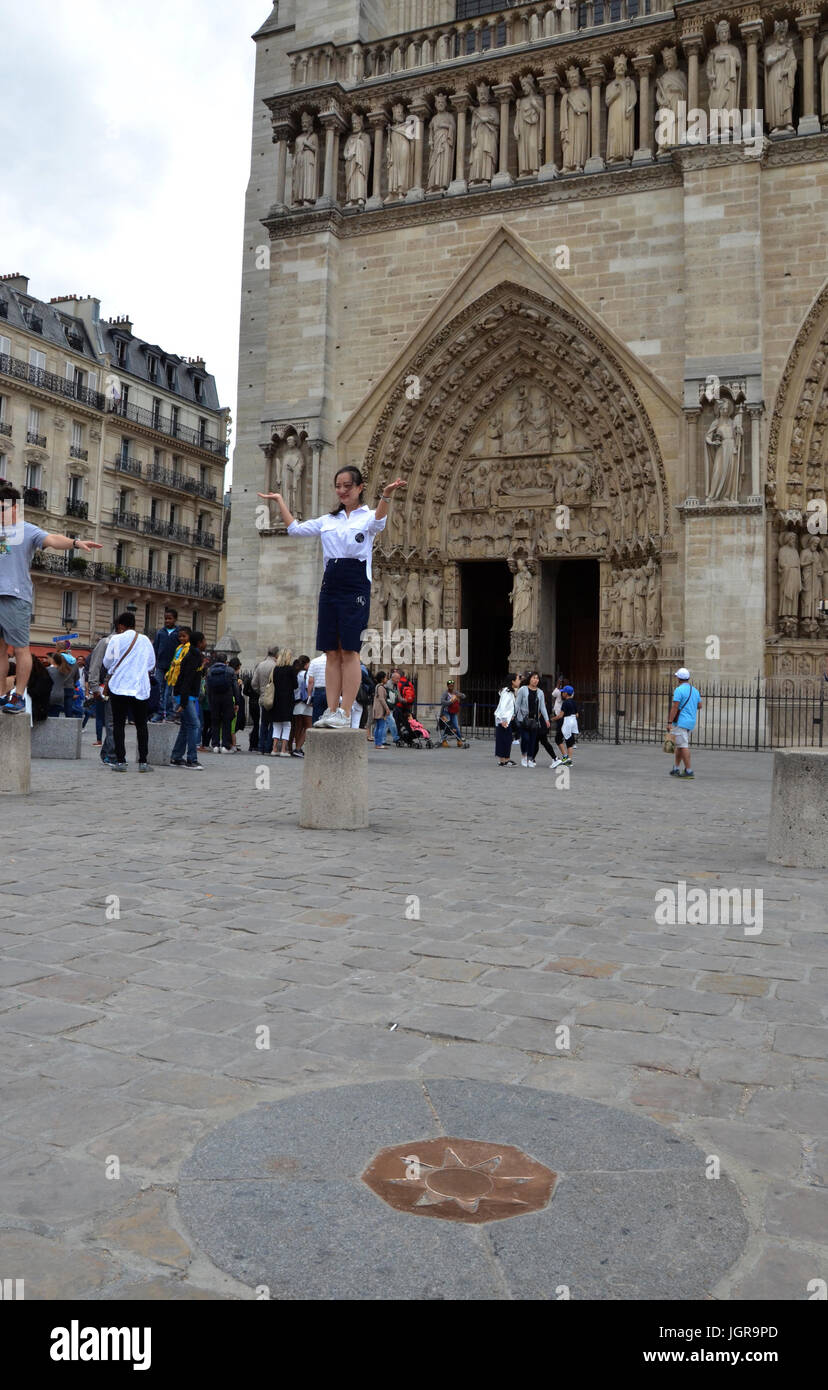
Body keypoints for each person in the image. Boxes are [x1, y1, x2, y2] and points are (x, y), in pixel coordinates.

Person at [258, 466, 406, 728]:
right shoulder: (328, 520)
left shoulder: (367, 517)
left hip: (355, 582)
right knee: (330, 651)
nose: (342, 491)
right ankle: (332, 709)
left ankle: (346, 712)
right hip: (330, 583)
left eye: (347, 485)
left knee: (349, 650)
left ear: (360, 488)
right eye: (338, 486)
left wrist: (386, 495)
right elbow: (294, 530)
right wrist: (281, 501)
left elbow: (380, 521)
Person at [0, 484, 102, 714]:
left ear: (15, 508)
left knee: (20, 649)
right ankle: (2, 695)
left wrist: (76, 543)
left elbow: (53, 539)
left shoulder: (26, 530)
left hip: (15, 596)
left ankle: (18, 696)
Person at [103, 611, 156, 771]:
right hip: (139, 687)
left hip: (119, 686)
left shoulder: (116, 640)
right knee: (141, 725)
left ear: (120, 625)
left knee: (119, 724)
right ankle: (143, 762)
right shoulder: (145, 640)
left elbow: (107, 662)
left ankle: (120, 761)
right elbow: (151, 664)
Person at [169, 628, 206, 768]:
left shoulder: (195, 655)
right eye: (204, 641)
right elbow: (186, 680)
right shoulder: (193, 657)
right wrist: (183, 702)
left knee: (185, 727)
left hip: (186, 695)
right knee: (194, 725)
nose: (206, 643)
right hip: (185, 696)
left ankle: (176, 756)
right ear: (199, 643)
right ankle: (192, 759)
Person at [667, 666, 702, 778]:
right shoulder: (695, 690)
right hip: (690, 721)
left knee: (683, 746)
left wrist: (669, 722)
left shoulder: (679, 690)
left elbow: (675, 707)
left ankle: (689, 771)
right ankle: (676, 768)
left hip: (681, 721)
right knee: (680, 745)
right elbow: (700, 705)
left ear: (679, 679)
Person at [515, 670, 550, 768]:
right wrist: (513, 714)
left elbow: (542, 707)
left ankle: (530, 759)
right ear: (530, 679)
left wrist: (547, 719)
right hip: (523, 718)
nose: (535, 680)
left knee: (532, 740)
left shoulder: (540, 692)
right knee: (525, 738)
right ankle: (524, 756)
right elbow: (517, 703)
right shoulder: (523, 689)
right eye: (533, 678)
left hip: (535, 720)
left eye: (537, 678)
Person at [151, 607, 179, 721]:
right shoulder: (160, 633)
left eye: (170, 618)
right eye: (166, 619)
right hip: (160, 665)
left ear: (175, 619)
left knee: (168, 691)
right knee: (159, 690)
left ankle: (168, 712)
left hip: (172, 667)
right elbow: (155, 648)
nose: (167, 621)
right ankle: (159, 712)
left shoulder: (178, 633)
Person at [206, 651, 237, 753]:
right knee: (227, 721)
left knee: (215, 721)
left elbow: (208, 687)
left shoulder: (210, 670)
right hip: (227, 698)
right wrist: (237, 701)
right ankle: (225, 745)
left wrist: (209, 699)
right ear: (225, 661)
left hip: (214, 697)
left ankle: (215, 745)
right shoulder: (230, 670)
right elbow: (235, 688)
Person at [251, 645, 279, 753]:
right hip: (273, 697)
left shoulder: (260, 665)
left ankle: (261, 746)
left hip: (263, 697)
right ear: (276, 654)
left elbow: (254, 683)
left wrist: (261, 691)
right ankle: (268, 746)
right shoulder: (276, 666)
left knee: (263, 723)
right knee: (272, 723)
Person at [269, 647, 296, 757]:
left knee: (276, 725)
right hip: (287, 700)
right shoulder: (290, 669)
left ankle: (274, 748)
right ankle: (283, 749)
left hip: (276, 699)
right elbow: (295, 685)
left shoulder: (276, 669)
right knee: (287, 725)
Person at [494, 673, 520, 766]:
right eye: (518, 679)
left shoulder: (509, 692)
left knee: (505, 739)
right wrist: (504, 720)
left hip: (505, 719)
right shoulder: (507, 692)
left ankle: (504, 760)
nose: (519, 681)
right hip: (503, 720)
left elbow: (509, 707)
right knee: (505, 739)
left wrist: (511, 715)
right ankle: (504, 760)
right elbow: (503, 707)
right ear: (512, 681)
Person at [290, 655, 312, 757]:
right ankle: (298, 748)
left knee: (298, 727)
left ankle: (293, 747)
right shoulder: (304, 674)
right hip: (304, 702)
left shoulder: (296, 673)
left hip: (296, 702)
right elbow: (309, 686)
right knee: (308, 726)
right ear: (306, 664)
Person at [439, 678, 465, 747]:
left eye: (452, 685)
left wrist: (459, 695)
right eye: (450, 685)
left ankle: (459, 740)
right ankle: (444, 740)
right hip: (446, 712)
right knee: (447, 725)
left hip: (453, 712)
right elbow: (442, 702)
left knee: (456, 726)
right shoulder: (445, 693)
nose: (451, 686)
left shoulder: (455, 692)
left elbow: (464, 696)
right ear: (447, 686)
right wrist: (451, 702)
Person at [558, 684, 578, 765]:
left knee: (558, 739)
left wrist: (552, 719)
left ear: (566, 693)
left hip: (565, 722)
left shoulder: (565, 703)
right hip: (573, 723)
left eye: (563, 692)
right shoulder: (574, 702)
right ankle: (569, 760)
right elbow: (577, 714)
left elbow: (561, 715)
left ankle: (565, 756)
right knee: (570, 741)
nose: (562, 693)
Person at [306, 651, 328, 725]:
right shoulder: (336, 661)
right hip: (331, 692)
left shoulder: (314, 661)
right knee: (330, 719)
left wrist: (309, 696)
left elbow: (310, 681)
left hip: (318, 691)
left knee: (316, 718)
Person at [372, 670, 390, 748]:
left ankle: (377, 743)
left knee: (378, 726)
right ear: (382, 679)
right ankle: (379, 744)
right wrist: (387, 709)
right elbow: (382, 699)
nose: (386, 679)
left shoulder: (377, 686)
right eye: (385, 678)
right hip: (380, 710)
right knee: (381, 726)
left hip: (377, 709)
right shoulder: (381, 687)